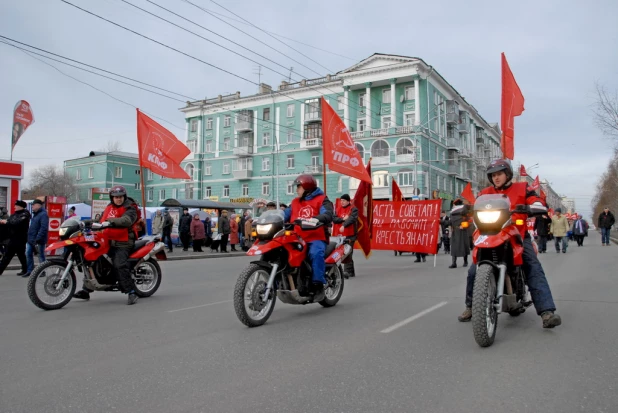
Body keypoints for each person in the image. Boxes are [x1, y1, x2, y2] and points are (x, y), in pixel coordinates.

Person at [458, 159, 561, 329]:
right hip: (489, 233)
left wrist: (534, 206)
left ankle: (546, 312)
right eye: (493, 175)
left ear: (508, 174)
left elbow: (536, 200)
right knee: (473, 270)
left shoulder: (522, 188)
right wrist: (465, 208)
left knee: (532, 265)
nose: (496, 178)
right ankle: (471, 306)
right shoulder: (485, 193)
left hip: (516, 234)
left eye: (499, 174)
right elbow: (475, 206)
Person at [73, 186, 140, 305]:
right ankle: (86, 289)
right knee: (92, 259)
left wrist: (110, 221)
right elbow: (100, 221)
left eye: (120, 197)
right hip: (107, 240)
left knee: (119, 264)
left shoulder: (130, 207)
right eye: (116, 197)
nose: (118, 199)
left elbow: (127, 220)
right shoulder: (109, 207)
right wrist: (85, 222)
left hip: (123, 242)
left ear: (124, 197)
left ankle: (131, 292)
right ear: (112, 198)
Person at [283, 174, 334, 296]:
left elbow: (327, 213)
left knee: (315, 253)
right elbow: (284, 214)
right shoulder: (295, 202)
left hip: (315, 237)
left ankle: (318, 285)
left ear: (307, 187)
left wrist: (317, 218)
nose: (296, 190)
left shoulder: (322, 199)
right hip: (296, 237)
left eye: (298, 187)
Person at [0, 200, 30, 277]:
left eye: (16, 206)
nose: (14, 207)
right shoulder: (15, 214)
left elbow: (16, 223)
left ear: (20, 206)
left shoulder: (25, 215)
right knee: (20, 255)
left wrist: (6, 222)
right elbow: (10, 221)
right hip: (13, 238)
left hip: (19, 239)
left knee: (8, 256)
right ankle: (25, 269)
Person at [332, 194, 358, 278]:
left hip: (350, 235)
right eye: (341, 200)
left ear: (348, 201)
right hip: (339, 236)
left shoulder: (353, 209)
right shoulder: (337, 209)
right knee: (339, 253)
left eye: (344, 200)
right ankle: (351, 271)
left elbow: (352, 219)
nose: (342, 202)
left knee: (348, 252)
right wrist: (343, 219)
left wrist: (344, 225)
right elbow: (334, 219)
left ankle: (347, 271)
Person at [26, 199, 48, 277]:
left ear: (39, 205)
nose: (32, 206)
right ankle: (29, 270)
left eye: (33, 205)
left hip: (38, 240)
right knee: (28, 254)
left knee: (40, 255)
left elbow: (43, 228)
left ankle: (43, 271)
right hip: (31, 239)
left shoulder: (43, 214)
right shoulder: (35, 214)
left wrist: (38, 238)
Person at [449, 199, 470, 269]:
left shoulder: (464, 213)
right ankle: (454, 263)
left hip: (461, 232)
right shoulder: (453, 213)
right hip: (456, 232)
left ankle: (465, 262)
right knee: (454, 248)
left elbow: (468, 222)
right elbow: (450, 222)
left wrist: (463, 226)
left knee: (463, 246)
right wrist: (440, 221)